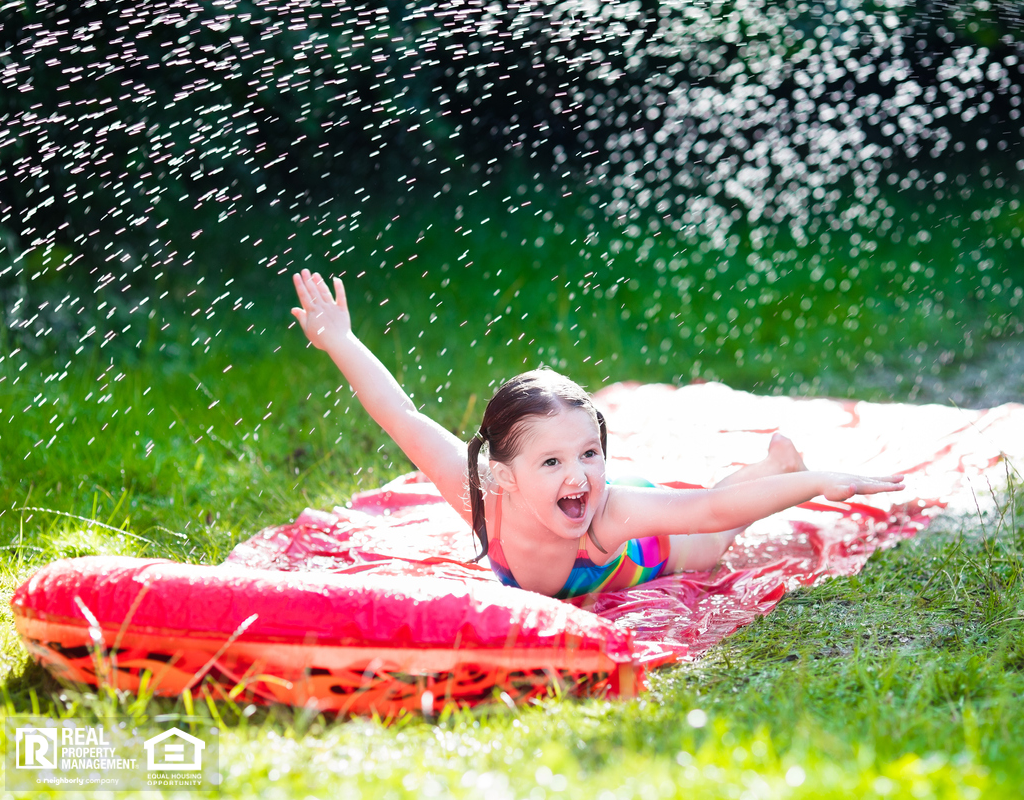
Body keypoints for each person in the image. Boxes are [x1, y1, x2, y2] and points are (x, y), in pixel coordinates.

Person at [291, 269, 904, 598]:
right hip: (585, 511)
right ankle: (777, 464)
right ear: (503, 473)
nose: (578, 472)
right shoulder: (478, 493)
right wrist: (340, 340)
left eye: (589, 451)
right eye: (552, 462)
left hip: (635, 549)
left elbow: (713, 506)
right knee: (709, 518)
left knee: (715, 539)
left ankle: (780, 469)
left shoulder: (606, 510)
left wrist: (817, 485)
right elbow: (401, 415)